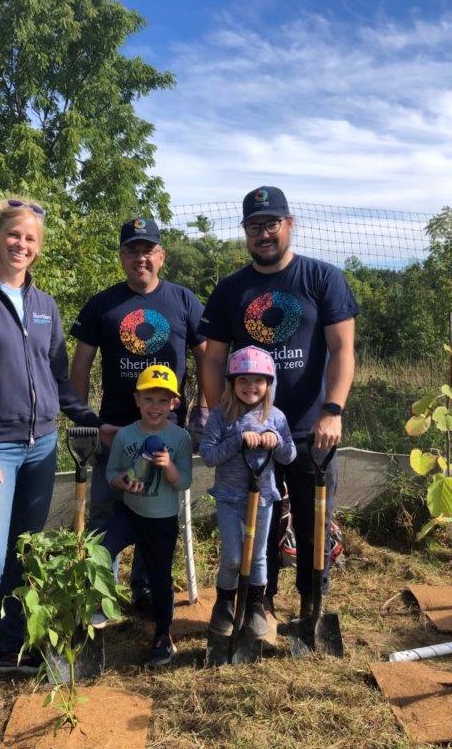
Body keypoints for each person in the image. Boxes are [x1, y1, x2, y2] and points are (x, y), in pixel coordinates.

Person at [0, 198, 114, 745]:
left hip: (42, 446)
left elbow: (57, 378)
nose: (22, 244)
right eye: (14, 235)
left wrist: (88, 418)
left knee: (23, 549)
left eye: (31, 239)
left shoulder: (45, 305)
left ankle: (8, 645)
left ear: (38, 247)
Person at [198, 185, 358, 640]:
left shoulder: (322, 279)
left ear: (290, 225)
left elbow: (342, 348)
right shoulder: (232, 290)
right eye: (254, 226)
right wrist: (218, 415)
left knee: (313, 525)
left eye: (271, 224)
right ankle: (258, 606)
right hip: (249, 432)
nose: (263, 234)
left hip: (311, 429)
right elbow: (212, 357)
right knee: (257, 521)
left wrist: (333, 410)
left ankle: (311, 604)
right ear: (245, 233)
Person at [70, 217, 207, 610]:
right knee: (104, 512)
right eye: (132, 250)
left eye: (147, 250)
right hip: (114, 431)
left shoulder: (183, 301)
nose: (140, 258)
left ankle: (146, 590)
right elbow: (80, 364)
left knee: (156, 515)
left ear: (161, 256)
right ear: (121, 257)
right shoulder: (103, 304)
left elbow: (205, 356)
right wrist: (86, 422)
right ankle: (99, 594)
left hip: (165, 433)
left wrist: (207, 410)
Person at [199, 346, 296, 641]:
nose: (250, 387)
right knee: (231, 557)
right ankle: (225, 604)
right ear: (231, 383)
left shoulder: (276, 417)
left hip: (264, 497)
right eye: (243, 380)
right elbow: (208, 455)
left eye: (258, 381)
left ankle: (255, 604)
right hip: (229, 498)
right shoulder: (220, 416)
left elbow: (289, 455)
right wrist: (238, 441)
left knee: (257, 557)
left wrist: (275, 440)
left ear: (268, 384)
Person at [103, 364, 192, 666]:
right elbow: (111, 473)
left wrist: (167, 465)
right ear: (137, 400)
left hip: (162, 520)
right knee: (100, 550)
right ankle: (97, 609)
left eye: (162, 401)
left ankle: (163, 633)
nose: (155, 407)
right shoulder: (126, 435)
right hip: (128, 511)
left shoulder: (179, 438)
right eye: (149, 399)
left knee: (159, 578)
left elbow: (184, 482)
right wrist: (121, 481)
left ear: (173, 404)